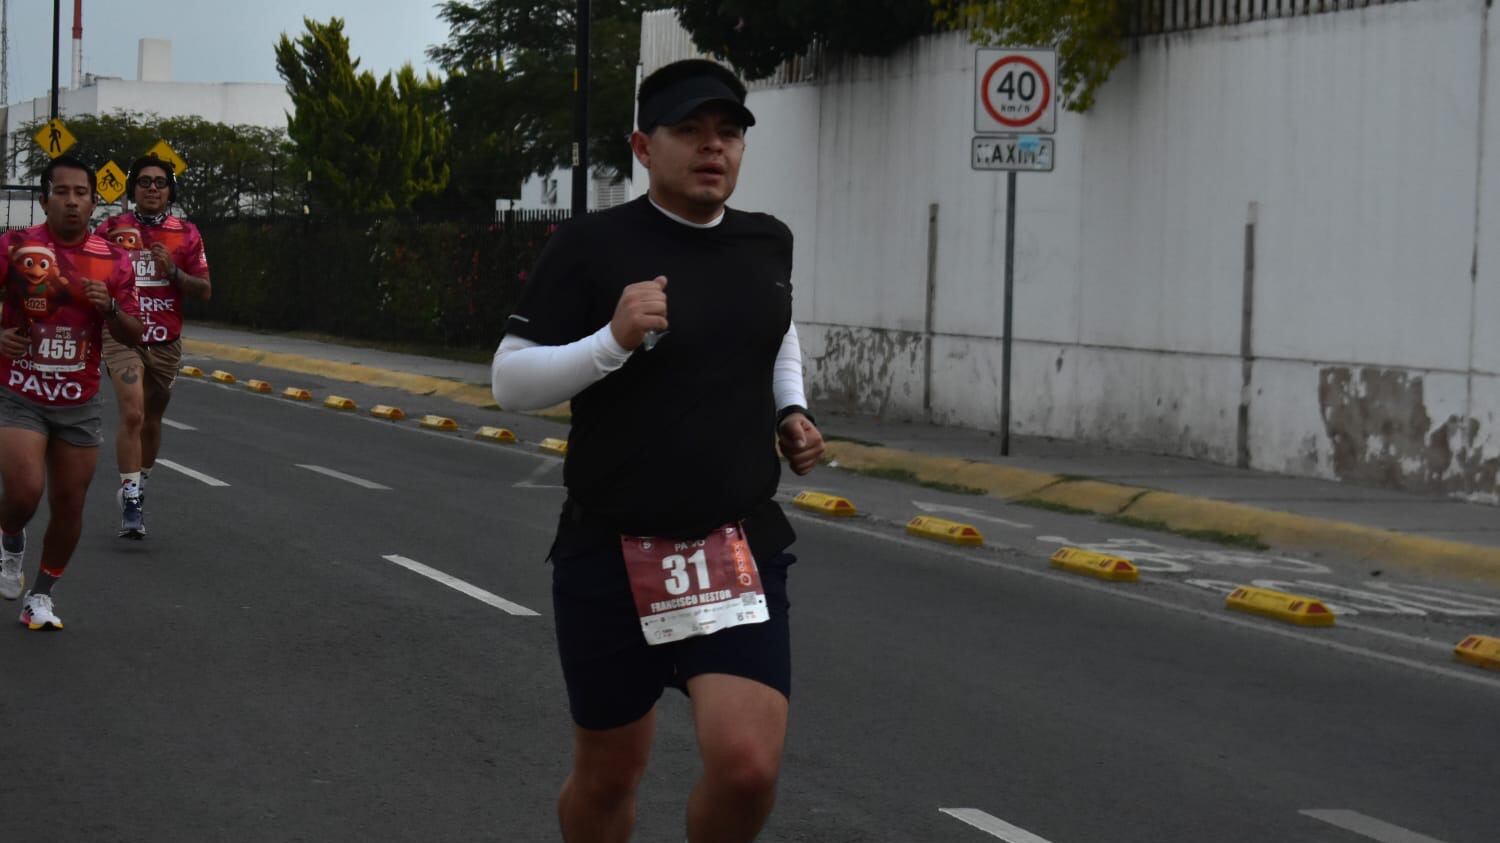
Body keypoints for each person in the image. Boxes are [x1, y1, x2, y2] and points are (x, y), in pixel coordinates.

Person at [492, 59, 825, 843]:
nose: (714, 148)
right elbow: (509, 381)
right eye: (690, 132)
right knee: (610, 776)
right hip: (611, 549)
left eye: (729, 132)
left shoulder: (766, 241)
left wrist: (791, 408)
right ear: (644, 147)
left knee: (747, 767)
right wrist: (613, 339)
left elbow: (777, 328)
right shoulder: (590, 246)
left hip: (730, 545)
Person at [0, 155, 143, 629]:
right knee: (24, 492)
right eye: (61, 192)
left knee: (69, 504)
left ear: (93, 201)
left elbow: (134, 333)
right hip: (20, 391)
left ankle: (40, 595)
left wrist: (111, 310)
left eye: (81, 193)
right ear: (44, 199)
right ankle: (9, 535)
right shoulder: (13, 246)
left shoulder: (112, 260)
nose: (72, 202)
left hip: (78, 403)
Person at [96, 155, 211, 538]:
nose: (151, 188)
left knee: (152, 418)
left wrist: (173, 272)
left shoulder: (187, 233)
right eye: (144, 182)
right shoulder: (110, 229)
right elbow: (84, 271)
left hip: (166, 342)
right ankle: (130, 503)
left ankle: (139, 484)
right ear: (133, 189)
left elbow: (205, 290)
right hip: (122, 335)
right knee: (131, 412)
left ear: (170, 191)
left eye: (159, 183)